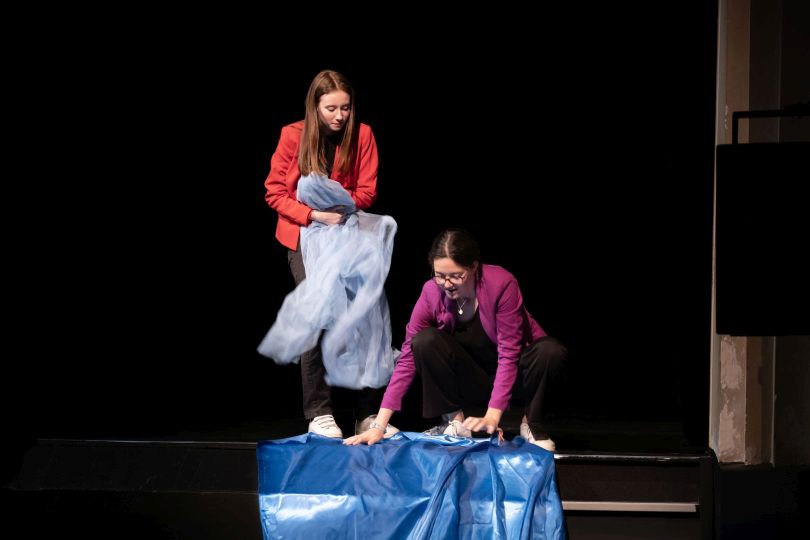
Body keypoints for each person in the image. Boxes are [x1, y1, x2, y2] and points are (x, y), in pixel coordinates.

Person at [261, 69, 398, 439]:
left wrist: (337, 203)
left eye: (346, 108)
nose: (340, 116)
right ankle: (319, 412)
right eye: (331, 109)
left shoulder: (362, 134)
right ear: (315, 107)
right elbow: (275, 192)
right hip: (305, 233)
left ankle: (367, 413)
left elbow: (367, 191)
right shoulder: (293, 135)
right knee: (317, 314)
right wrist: (315, 213)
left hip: (349, 230)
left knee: (364, 314)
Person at [345, 228, 567, 451]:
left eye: (456, 276)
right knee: (424, 341)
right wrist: (379, 426)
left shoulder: (501, 283)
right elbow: (407, 359)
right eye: (440, 275)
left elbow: (509, 353)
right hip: (471, 379)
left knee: (549, 350)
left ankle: (531, 424)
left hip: (517, 376)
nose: (447, 283)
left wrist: (492, 416)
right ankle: (455, 423)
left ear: (473, 267)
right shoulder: (431, 292)